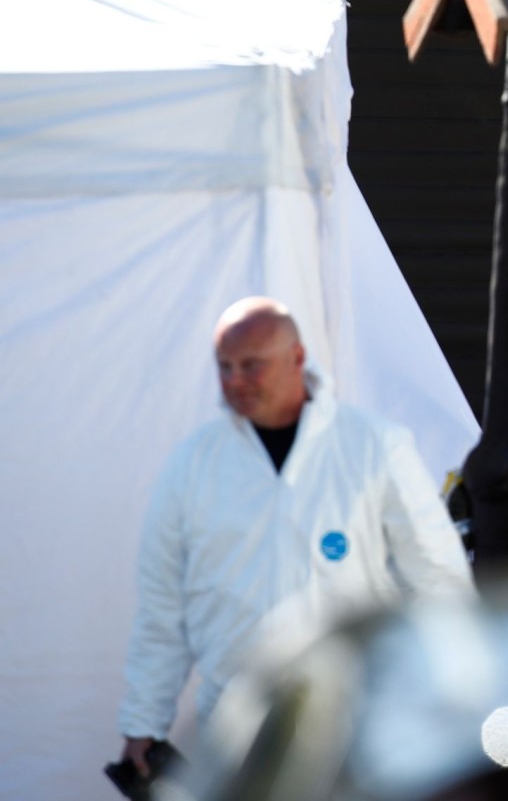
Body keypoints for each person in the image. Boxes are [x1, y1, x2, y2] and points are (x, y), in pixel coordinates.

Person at [117, 297, 473, 776]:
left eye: (251, 365)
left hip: (350, 723)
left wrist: (456, 690)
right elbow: (163, 607)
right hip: (235, 725)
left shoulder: (373, 446)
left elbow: (437, 578)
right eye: (224, 366)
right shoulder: (193, 464)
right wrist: (143, 722)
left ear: (297, 358)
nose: (235, 381)